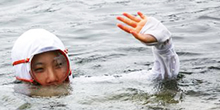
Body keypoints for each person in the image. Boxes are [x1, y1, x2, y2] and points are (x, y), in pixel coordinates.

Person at [10, 12, 179, 87]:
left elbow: (161, 78)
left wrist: (163, 46)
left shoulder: (87, 86)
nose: (53, 78)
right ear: (25, 73)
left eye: (59, 65)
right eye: (39, 69)